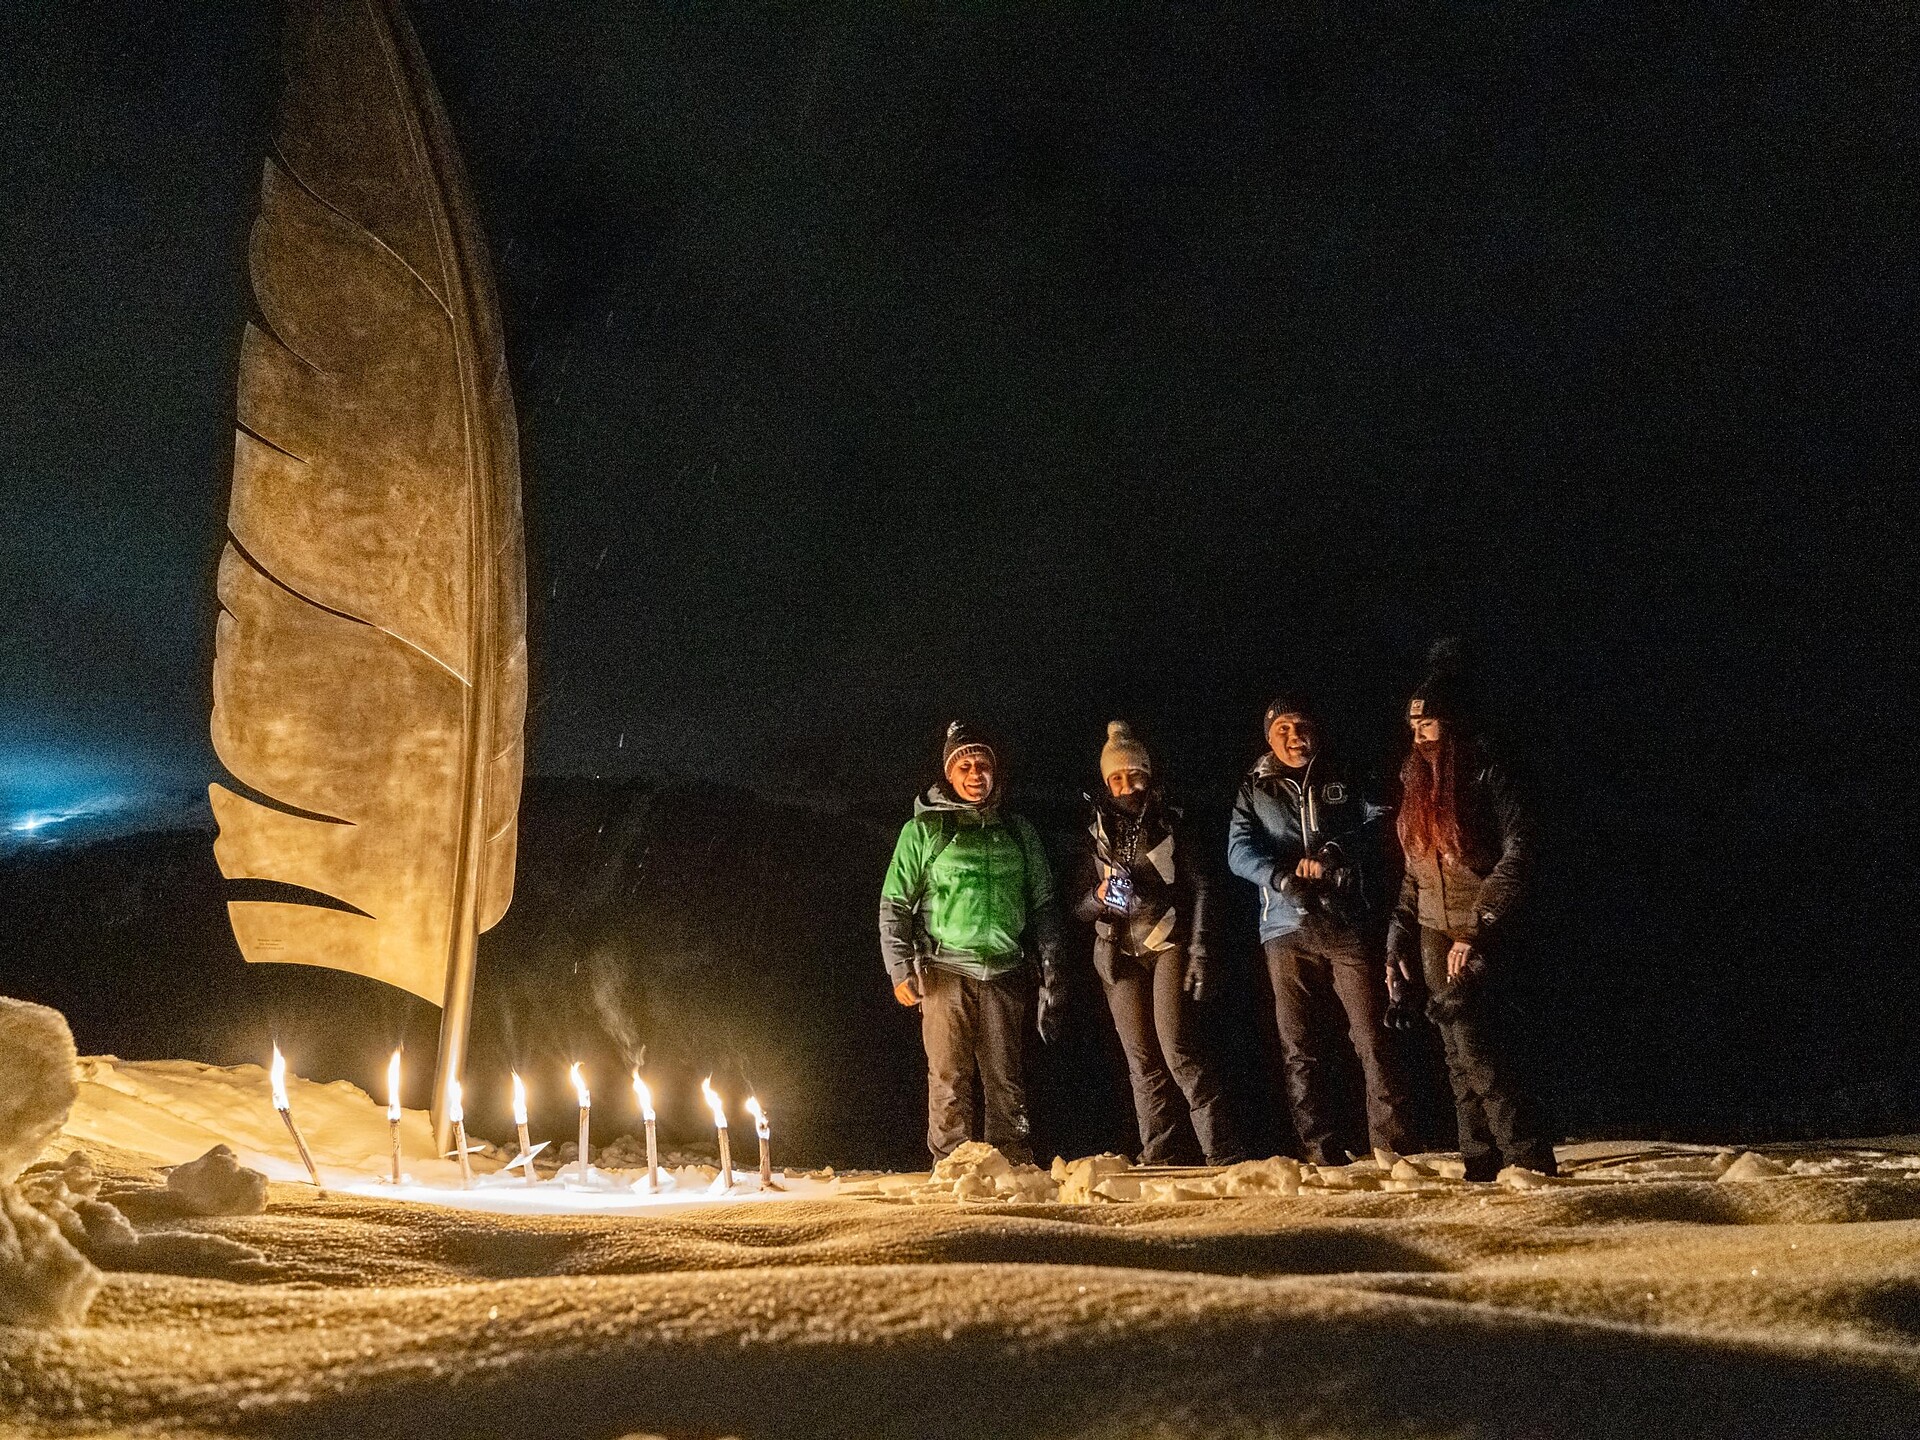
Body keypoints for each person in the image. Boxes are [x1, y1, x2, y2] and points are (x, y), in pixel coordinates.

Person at [1385, 642, 1557, 1179]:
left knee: (1481, 1050)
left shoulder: (1487, 775)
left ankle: (1527, 1159)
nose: (1419, 736)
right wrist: (1396, 940)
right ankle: (1479, 1163)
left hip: (1480, 928)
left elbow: (1520, 852)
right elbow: (1415, 870)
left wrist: (1479, 927)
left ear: (1452, 723)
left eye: (1429, 724)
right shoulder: (1414, 783)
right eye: (1414, 726)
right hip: (1435, 930)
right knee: (1456, 1058)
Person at [1227, 696, 1414, 1165]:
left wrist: (1335, 851)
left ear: (1316, 729)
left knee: (1370, 1036)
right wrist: (1282, 878)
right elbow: (1238, 850)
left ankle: (1392, 1147)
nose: (1294, 736)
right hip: (1284, 926)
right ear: (1269, 738)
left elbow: (1382, 818)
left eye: (1301, 725)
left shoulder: (1344, 771)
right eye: (1283, 729)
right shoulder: (1254, 786)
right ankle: (1320, 1149)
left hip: (1345, 919)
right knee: (1299, 1046)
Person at [878, 721, 1065, 1164]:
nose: (975, 772)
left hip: (1005, 969)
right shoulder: (924, 831)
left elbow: (1043, 906)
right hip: (943, 970)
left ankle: (1014, 1158)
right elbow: (894, 903)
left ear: (995, 771)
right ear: (949, 772)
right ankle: (952, 1163)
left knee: (1006, 1076)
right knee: (948, 1076)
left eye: (983, 764)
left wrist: (1053, 968)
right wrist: (899, 966)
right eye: (964, 764)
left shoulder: (1018, 831)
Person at [1073, 722, 1244, 1166]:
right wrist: (1098, 898)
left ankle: (1223, 1152)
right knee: (1142, 1061)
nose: (1126, 785)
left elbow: (1205, 886)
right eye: (1116, 778)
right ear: (1105, 781)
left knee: (1178, 1050)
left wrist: (1200, 950)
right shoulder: (1093, 832)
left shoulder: (1171, 821)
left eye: (1134, 775)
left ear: (1148, 775)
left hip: (1166, 942)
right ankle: (1161, 1154)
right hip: (1115, 951)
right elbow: (1076, 906)